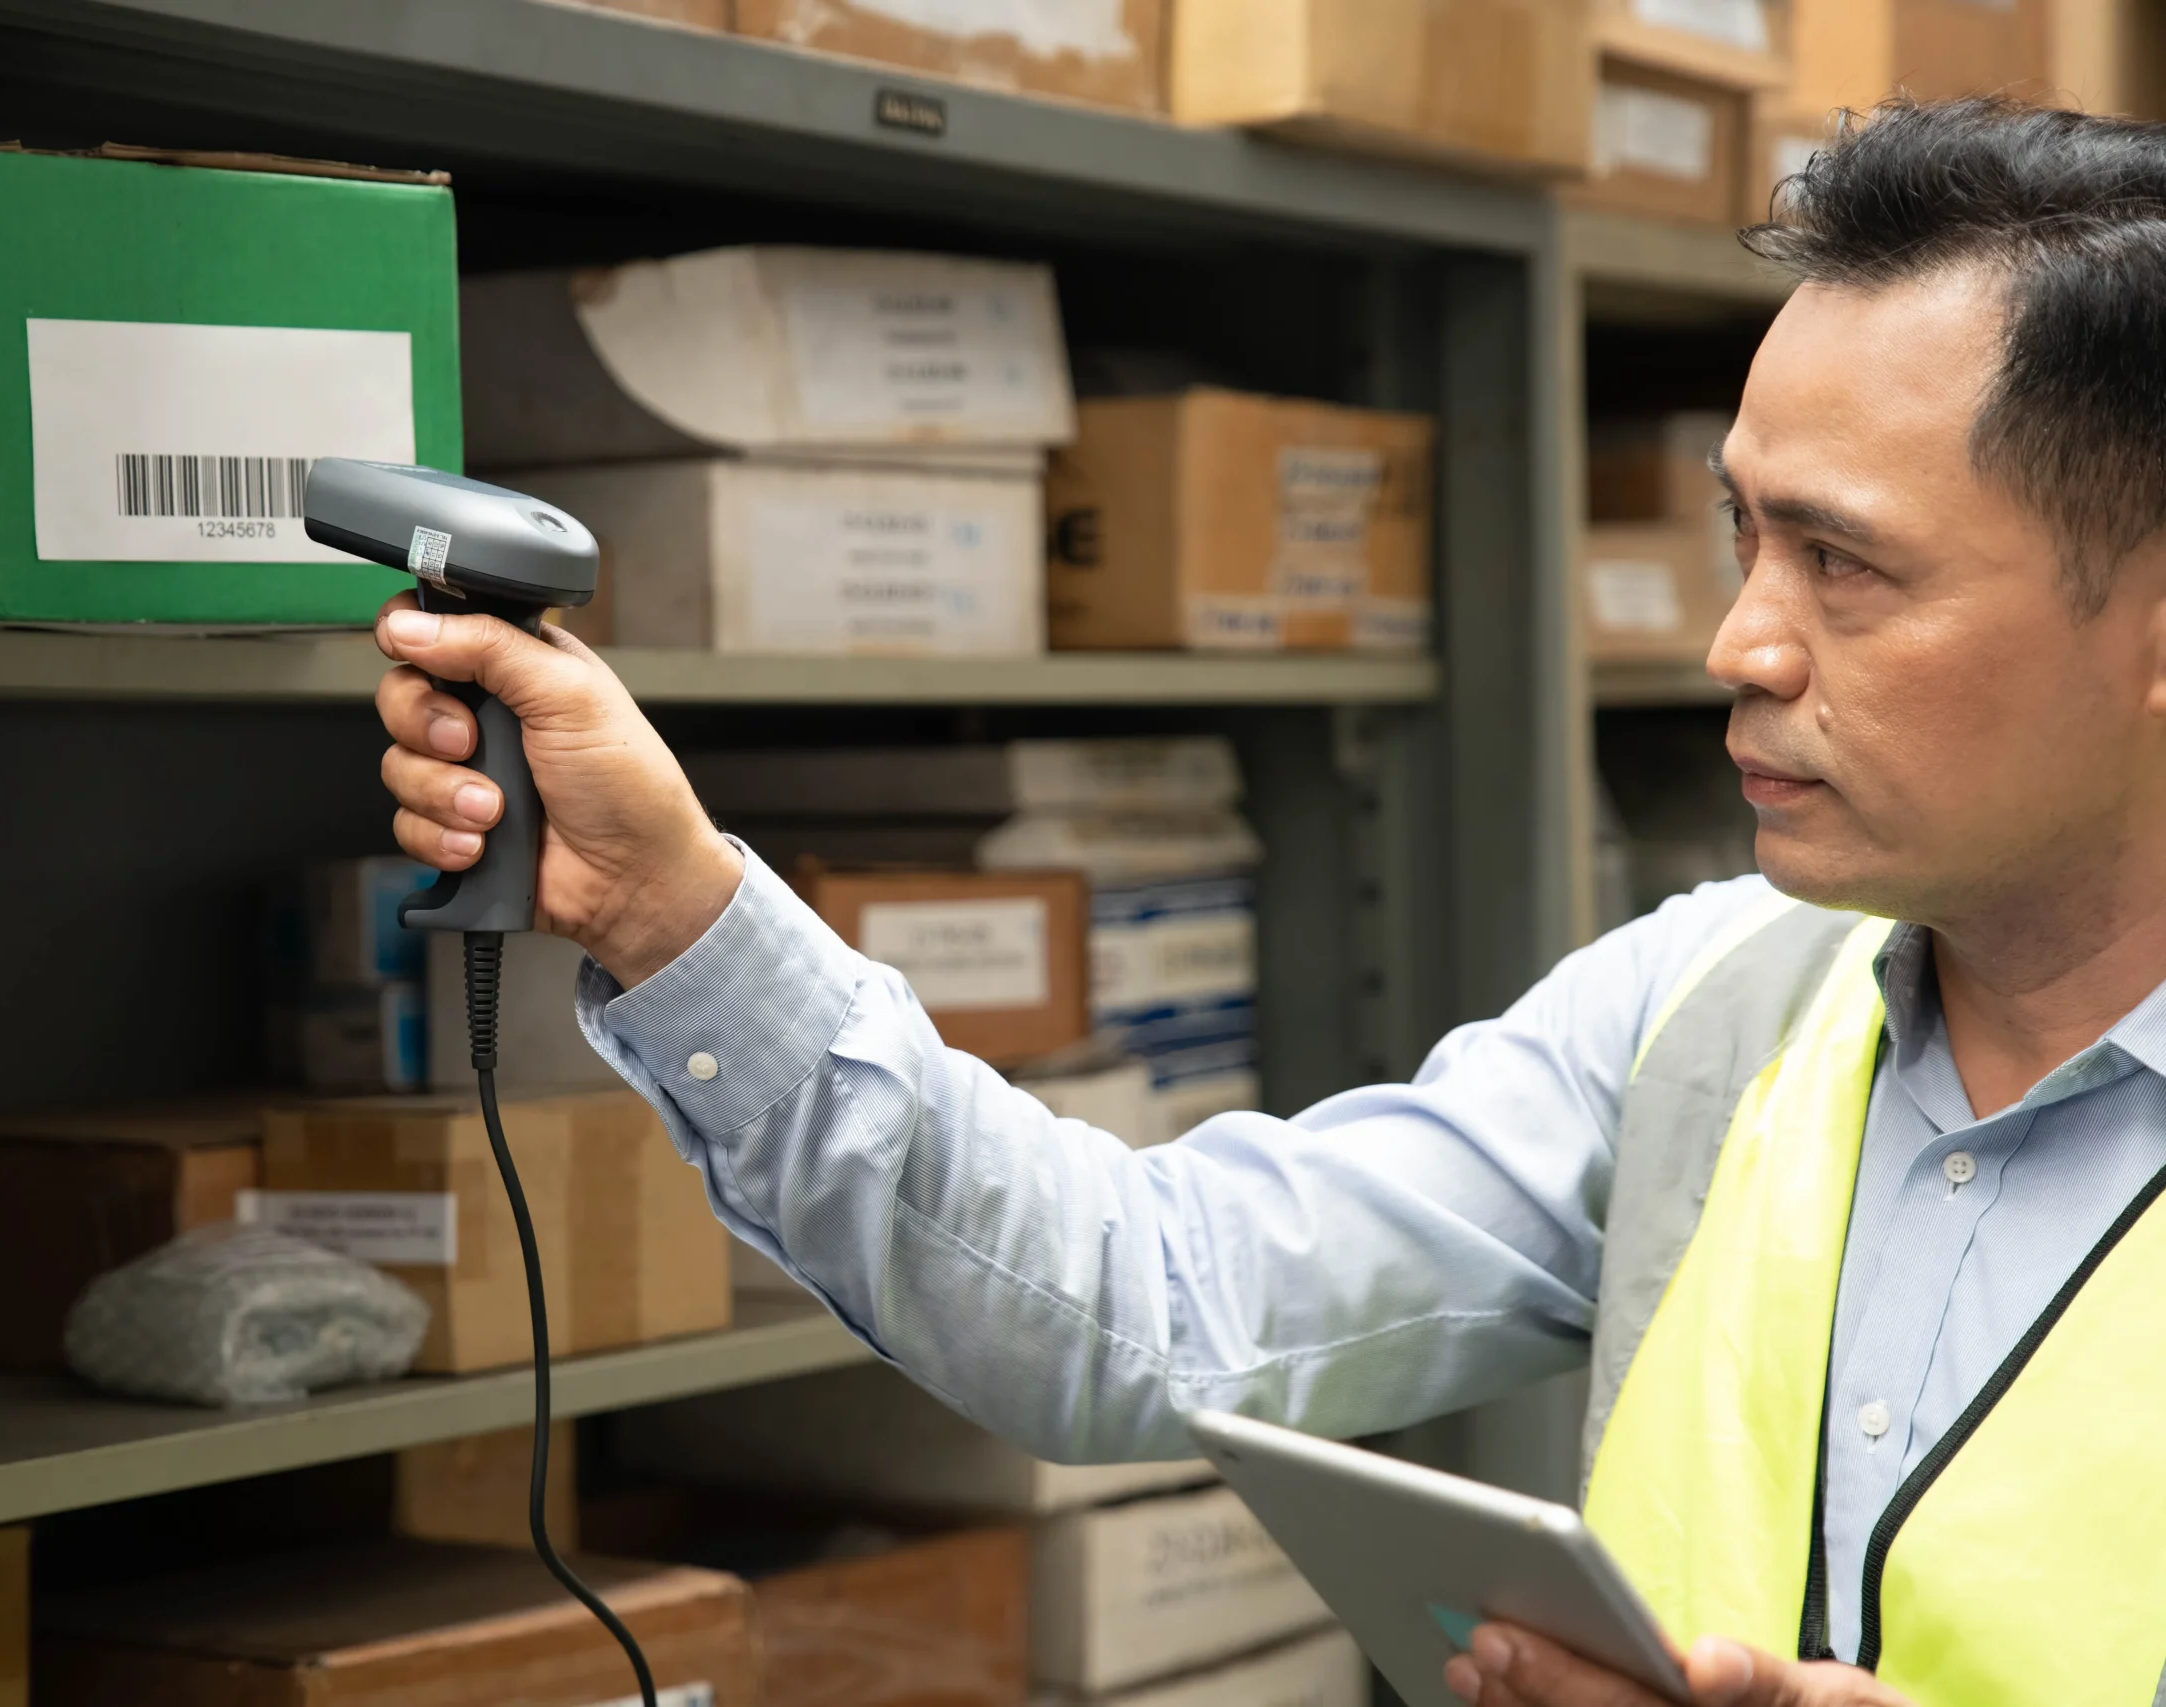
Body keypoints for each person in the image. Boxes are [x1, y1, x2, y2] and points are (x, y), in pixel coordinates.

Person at [368, 99, 2166, 1707]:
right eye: (1743, 538)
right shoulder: (1717, 1011)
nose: (1739, 642)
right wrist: (674, 906)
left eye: (1845, 564)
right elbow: (1143, 1305)